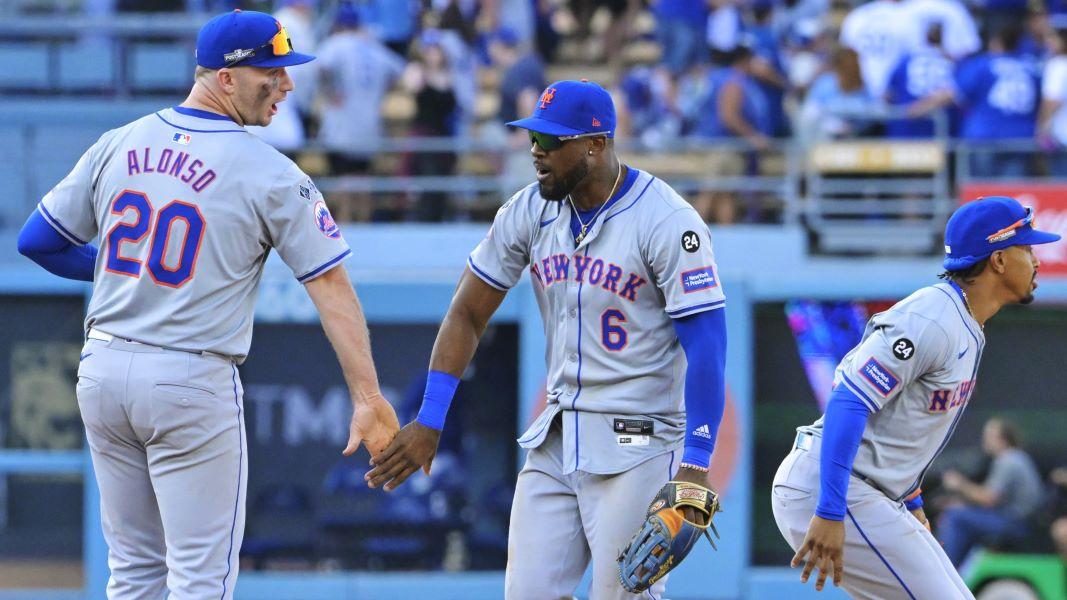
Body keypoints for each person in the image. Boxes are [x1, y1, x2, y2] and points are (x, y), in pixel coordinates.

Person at [14, 11, 399, 598]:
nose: (287, 85)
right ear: (226, 77)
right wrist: (368, 396)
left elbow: (38, 241)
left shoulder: (120, 142)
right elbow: (331, 288)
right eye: (271, 72)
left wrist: (121, 273)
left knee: (133, 574)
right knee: (201, 580)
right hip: (189, 378)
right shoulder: (272, 173)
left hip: (104, 371)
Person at [365, 80, 729, 599]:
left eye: (552, 141)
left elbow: (708, 345)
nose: (537, 152)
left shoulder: (667, 221)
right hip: (557, 439)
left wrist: (696, 463)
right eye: (534, 137)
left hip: (639, 442)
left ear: (596, 143)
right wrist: (431, 417)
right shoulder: (529, 210)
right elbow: (467, 312)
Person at [771, 195, 1060, 597]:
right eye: (1026, 248)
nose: (1036, 259)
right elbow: (848, 402)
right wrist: (830, 510)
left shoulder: (964, 323)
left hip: (865, 491)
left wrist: (911, 499)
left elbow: (897, 426)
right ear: (997, 259)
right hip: (834, 486)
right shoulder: (932, 318)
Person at [315, 2, 405, 221]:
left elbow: (321, 66)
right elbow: (400, 70)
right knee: (363, 182)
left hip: (341, 127)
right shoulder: (373, 46)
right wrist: (381, 92)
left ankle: (347, 232)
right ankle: (364, 225)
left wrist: (330, 92)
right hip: (369, 127)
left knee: (343, 183)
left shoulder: (337, 43)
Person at [938, 418, 1045, 566]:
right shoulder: (1016, 457)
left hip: (1016, 523)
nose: (984, 440)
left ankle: (946, 568)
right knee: (961, 511)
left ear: (1003, 439)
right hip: (1016, 519)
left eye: (989, 436)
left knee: (955, 516)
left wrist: (959, 484)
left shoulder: (1008, 460)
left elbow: (989, 498)